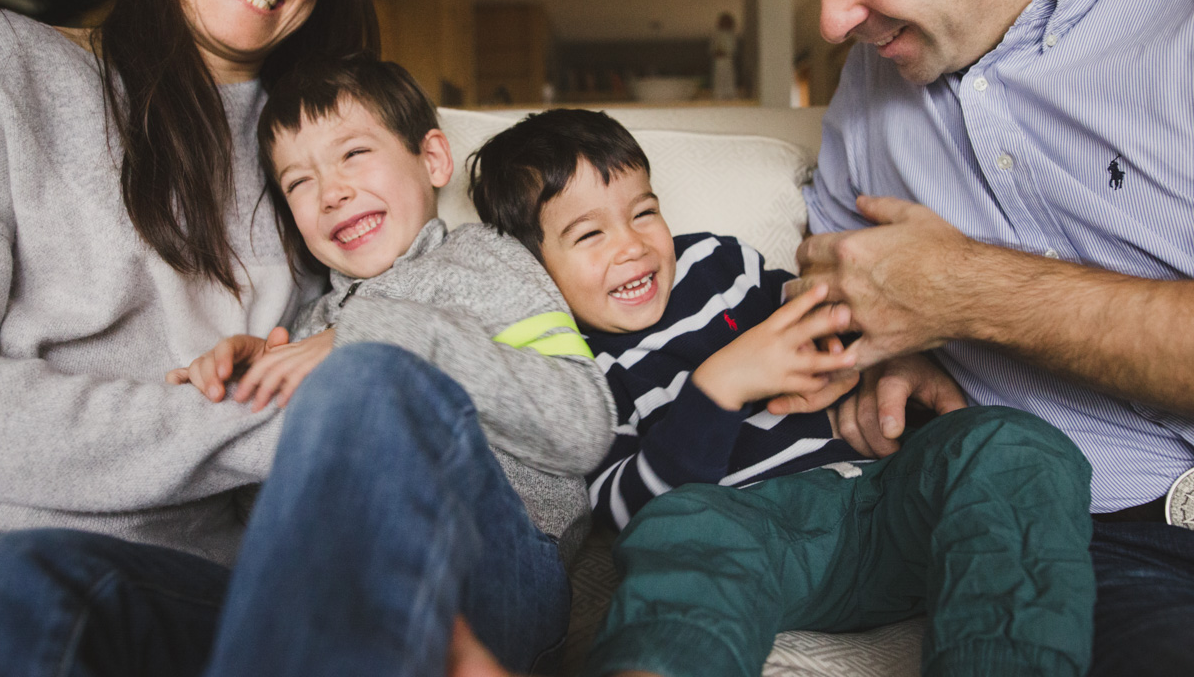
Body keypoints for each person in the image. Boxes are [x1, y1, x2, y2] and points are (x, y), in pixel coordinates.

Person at [0, 0, 610, 674]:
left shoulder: (330, 149)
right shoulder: (14, 68)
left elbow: (563, 421)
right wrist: (266, 391)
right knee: (23, 587)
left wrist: (339, 378)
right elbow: (326, 381)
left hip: (307, 571)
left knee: (372, 384)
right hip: (113, 562)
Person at [468, 108, 1098, 677]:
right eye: (589, 235)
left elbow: (839, 322)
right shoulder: (569, 364)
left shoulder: (719, 263)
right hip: (750, 534)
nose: (632, 245)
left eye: (643, 211)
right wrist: (717, 388)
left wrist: (877, 366)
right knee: (676, 533)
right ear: (534, 265)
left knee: (1010, 443)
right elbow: (625, 510)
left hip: (890, 503)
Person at [778, 0, 1194, 674]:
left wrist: (961, 291)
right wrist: (883, 350)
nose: (831, 21)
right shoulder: (868, 88)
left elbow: (935, 287)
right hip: (1083, 544)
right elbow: (830, 285)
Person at [168, 57, 614, 669]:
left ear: (432, 159)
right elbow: (278, 519)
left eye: (353, 153)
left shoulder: (482, 262)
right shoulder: (306, 326)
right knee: (36, 573)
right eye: (299, 182)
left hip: (503, 574)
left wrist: (375, 336)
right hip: (341, 590)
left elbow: (582, 427)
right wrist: (242, 393)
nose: (331, 191)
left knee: (371, 378)